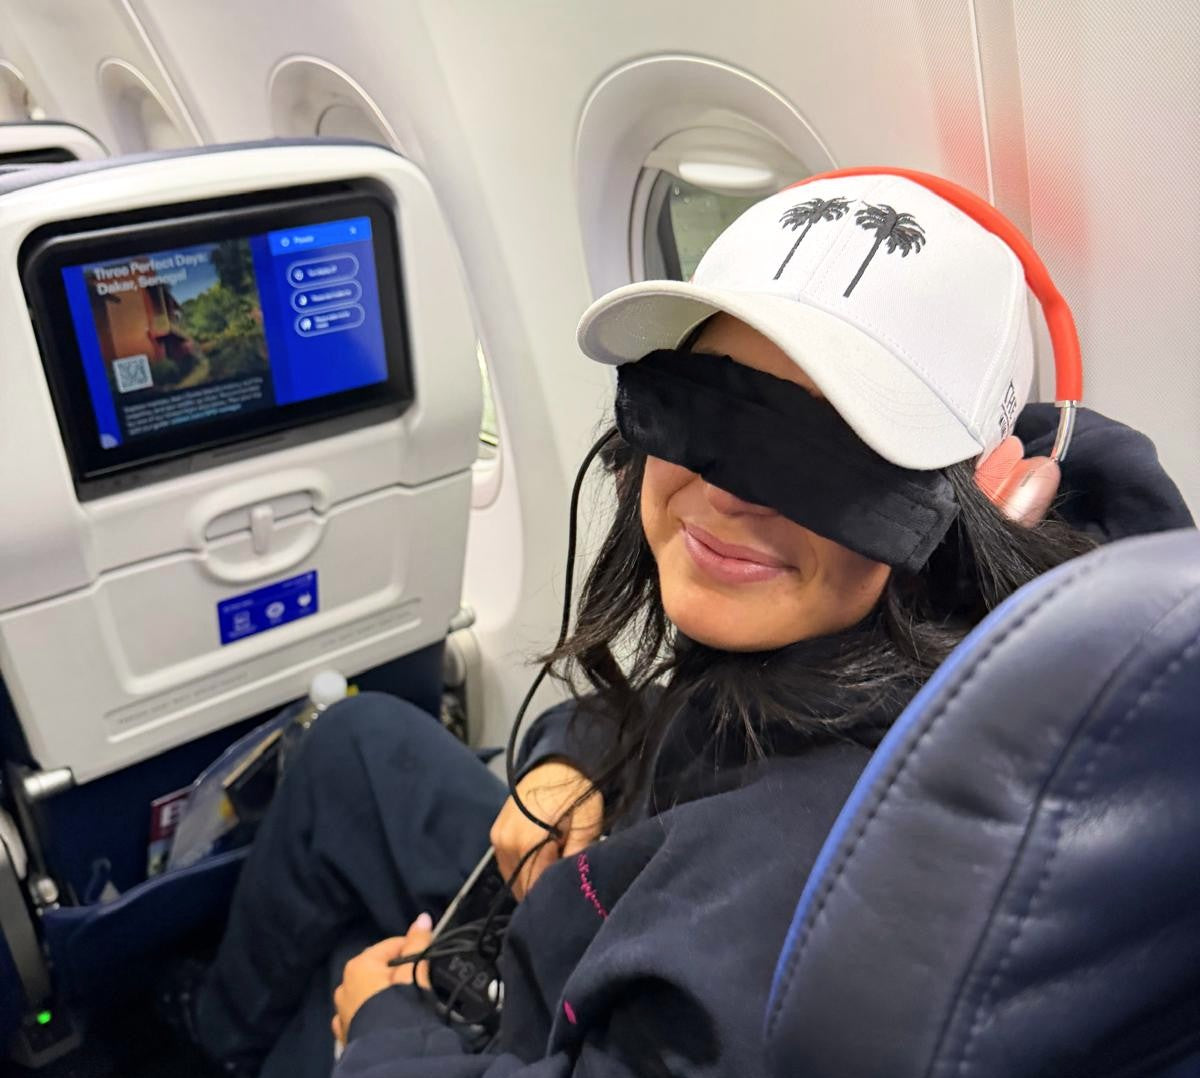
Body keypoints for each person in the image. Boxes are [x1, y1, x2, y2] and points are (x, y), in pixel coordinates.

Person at [177, 172, 1191, 1078]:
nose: (723, 491)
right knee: (355, 746)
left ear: (963, 510)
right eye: (698, 413)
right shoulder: (865, 639)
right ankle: (204, 1033)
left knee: (328, 1001)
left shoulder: (786, 905)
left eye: (824, 455)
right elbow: (689, 715)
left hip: (567, 1003)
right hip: (599, 887)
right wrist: (575, 755)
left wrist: (387, 1028)